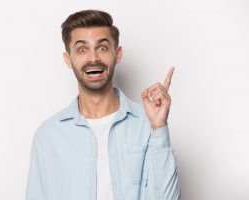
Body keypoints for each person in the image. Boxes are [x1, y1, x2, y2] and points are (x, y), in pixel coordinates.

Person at [26, 9, 181, 200]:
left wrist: (159, 128)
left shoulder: (148, 124)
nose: (93, 58)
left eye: (102, 48)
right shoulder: (48, 136)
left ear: (118, 54)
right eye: (82, 49)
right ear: (68, 59)